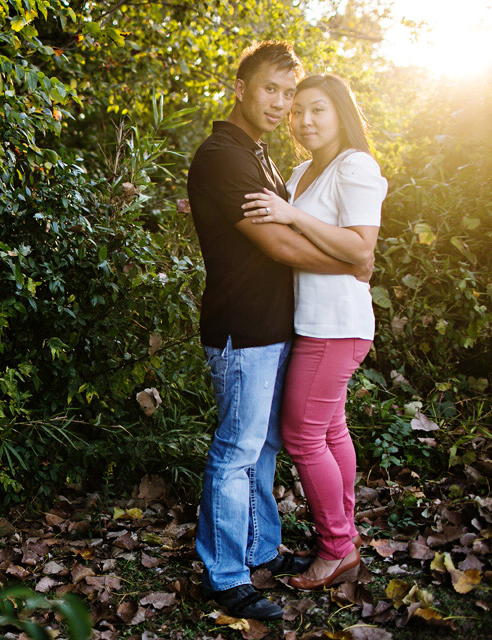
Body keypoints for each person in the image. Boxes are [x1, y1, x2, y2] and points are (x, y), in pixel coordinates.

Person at [187, 42, 373, 621]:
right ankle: (225, 574)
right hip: (242, 326)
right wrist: (352, 260)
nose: (281, 103)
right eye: (271, 89)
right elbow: (276, 243)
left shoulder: (262, 155)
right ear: (240, 87)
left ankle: (261, 548)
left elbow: (297, 231)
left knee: (263, 446)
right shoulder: (223, 156)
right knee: (237, 449)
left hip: (277, 326)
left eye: (289, 93)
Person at [241, 74, 388, 590]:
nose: (304, 121)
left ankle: (336, 550)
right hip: (311, 322)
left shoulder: (356, 167)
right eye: (298, 111)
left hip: (337, 324)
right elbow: (275, 230)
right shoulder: (303, 172)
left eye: (318, 109)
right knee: (329, 431)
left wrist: (288, 214)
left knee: (302, 436)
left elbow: (358, 250)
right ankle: (342, 535)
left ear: (341, 112)